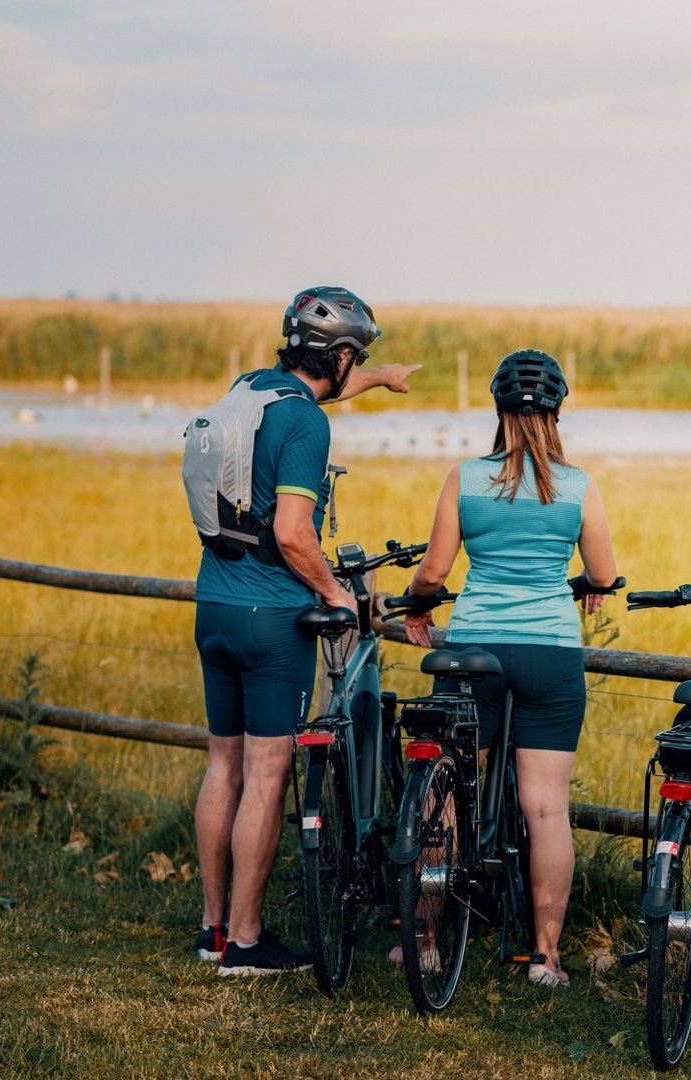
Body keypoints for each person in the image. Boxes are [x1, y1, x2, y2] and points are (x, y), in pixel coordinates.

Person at [192, 286, 420, 975]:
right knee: (268, 769)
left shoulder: (250, 391)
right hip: (271, 618)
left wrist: (379, 378)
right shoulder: (309, 429)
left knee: (222, 764)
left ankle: (213, 932)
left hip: (215, 604)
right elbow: (293, 534)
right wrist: (334, 592)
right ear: (340, 355)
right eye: (359, 358)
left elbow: (314, 397)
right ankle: (250, 939)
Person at [401, 349, 618, 988]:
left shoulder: (464, 477)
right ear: (557, 412)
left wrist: (418, 610)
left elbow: (436, 571)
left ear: (497, 408)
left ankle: (426, 939)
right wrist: (583, 584)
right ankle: (545, 958)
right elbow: (604, 574)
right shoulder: (578, 485)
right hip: (550, 651)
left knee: (444, 794)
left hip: (475, 651)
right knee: (546, 808)